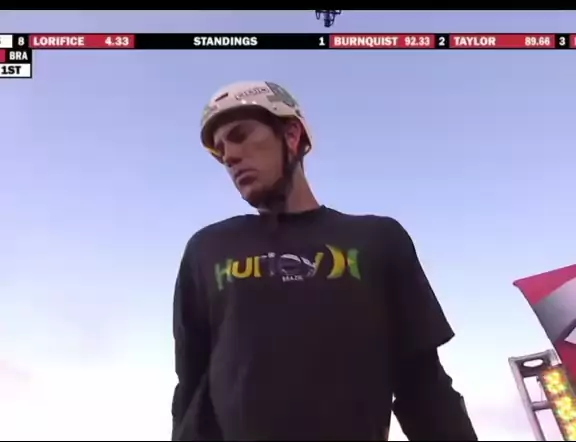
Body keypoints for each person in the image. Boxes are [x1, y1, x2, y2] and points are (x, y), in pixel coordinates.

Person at [171, 80, 478, 441]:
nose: (229, 157)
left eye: (240, 136)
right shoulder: (208, 249)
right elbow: (190, 389)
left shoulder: (378, 240)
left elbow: (424, 386)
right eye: (221, 150)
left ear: (291, 134)